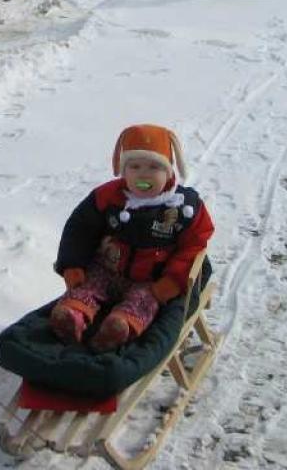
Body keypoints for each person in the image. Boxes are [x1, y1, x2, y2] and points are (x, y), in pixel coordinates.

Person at [50, 124, 215, 352]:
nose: (143, 174)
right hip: (107, 268)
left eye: (154, 167)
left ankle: (119, 327)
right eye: (135, 166)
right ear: (123, 171)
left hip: (150, 279)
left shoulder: (184, 208)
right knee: (87, 286)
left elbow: (194, 247)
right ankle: (71, 316)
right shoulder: (108, 197)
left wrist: (170, 283)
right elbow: (80, 229)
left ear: (169, 172)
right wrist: (73, 264)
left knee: (143, 301)